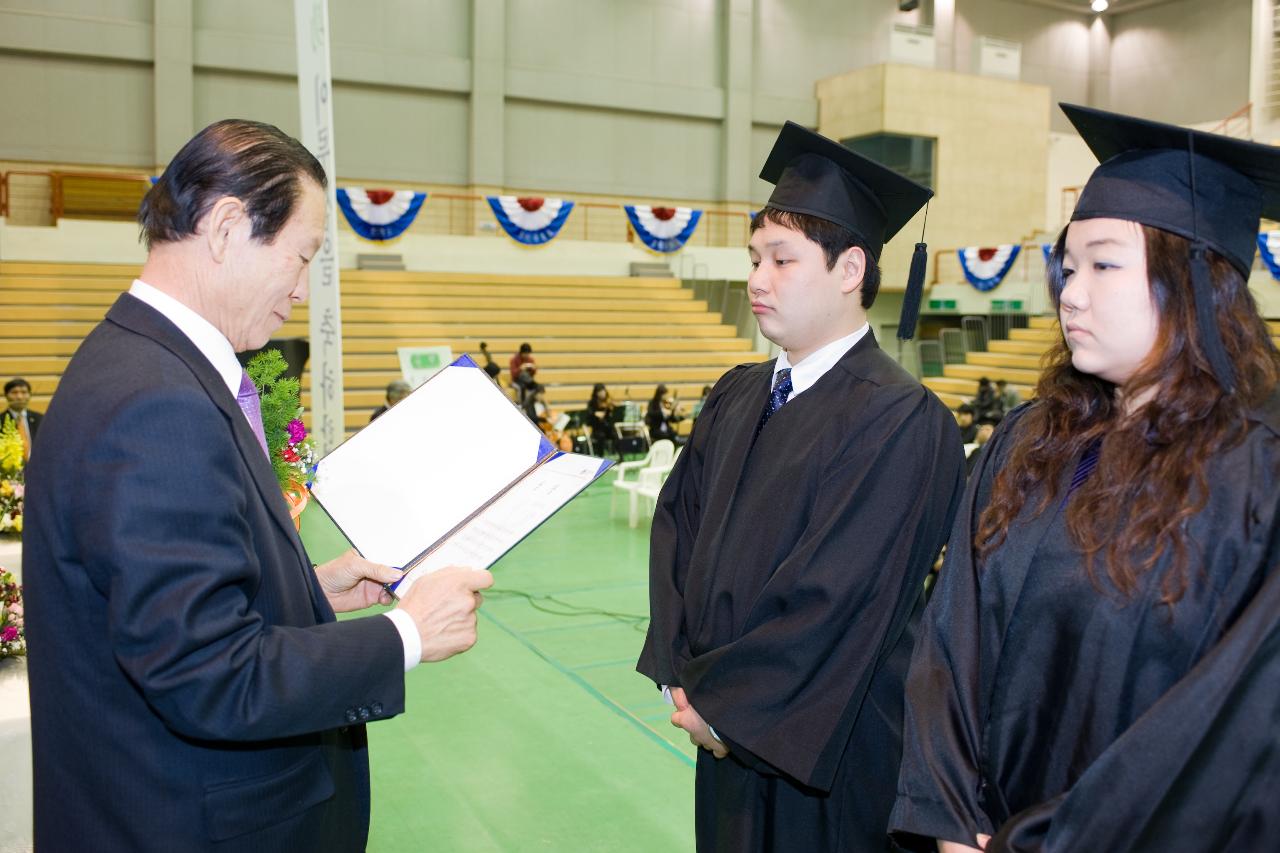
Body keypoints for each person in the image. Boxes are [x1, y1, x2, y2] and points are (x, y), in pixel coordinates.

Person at [22, 119, 494, 853]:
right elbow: (209, 673)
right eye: (301, 256)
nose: (302, 294)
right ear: (226, 226)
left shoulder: (142, 363)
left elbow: (155, 600)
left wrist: (305, 589)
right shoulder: (157, 403)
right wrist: (406, 632)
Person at [890, 104, 1280, 853]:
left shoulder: (1255, 477)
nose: (1070, 292)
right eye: (1068, 267)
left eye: (1103, 264)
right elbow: (949, 637)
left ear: (1196, 282)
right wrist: (946, 820)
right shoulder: (1032, 443)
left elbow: (1218, 740)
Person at [637, 121, 966, 853]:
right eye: (755, 257)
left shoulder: (904, 420)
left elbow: (840, 601)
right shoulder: (736, 393)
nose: (756, 279)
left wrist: (724, 712)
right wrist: (682, 683)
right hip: (722, 744)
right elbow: (675, 531)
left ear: (850, 270)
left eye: (782, 259)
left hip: (833, 759)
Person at [1, 377, 42, 461]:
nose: (19, 397)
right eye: (14, 392)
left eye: (24, 392)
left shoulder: (40, 419)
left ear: (29, 395)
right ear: (6, 395)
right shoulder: (1, 420)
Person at [585, 382, 615, 455]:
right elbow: (588, 415)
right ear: (596, 393)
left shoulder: (608, 401)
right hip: (597, 429)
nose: (602, 393)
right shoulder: (592, 403)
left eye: (603, 391)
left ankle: (619, 456)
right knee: (600, 436)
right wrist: (595, 414)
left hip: (608, 428)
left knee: (616, 435)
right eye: (600, 392)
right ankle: (600, 455)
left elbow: (613, 415)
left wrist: (611, 410)